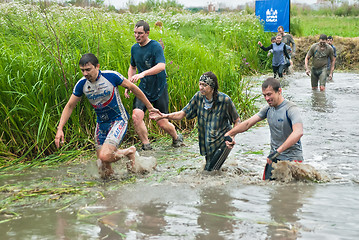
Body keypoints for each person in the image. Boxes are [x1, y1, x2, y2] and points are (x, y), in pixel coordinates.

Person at [55, 53, 158, 179]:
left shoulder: (111, 76)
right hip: (101, 124)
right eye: (82, 70)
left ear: (97, 66)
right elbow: (70, 105)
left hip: (118, 119)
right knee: (103, 168)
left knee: (105, 156)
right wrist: (60, 128)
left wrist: (150, 107)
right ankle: (112, 192)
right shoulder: (82, 84)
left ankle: (129, 151)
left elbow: (134, 88)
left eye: (88, 70)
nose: (85, 74)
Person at [150, 72, 240, 171]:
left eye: (205, 85)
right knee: (210, 168)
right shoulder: (198, 97)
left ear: (212, 87)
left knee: (210, 172)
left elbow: (237, 120)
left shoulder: (224, 100)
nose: (201, 87)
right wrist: (164, 116)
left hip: (223, 143)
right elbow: (182, 114)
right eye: (200, 84)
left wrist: (231, 136)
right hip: (207, 143)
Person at [225, 77, 304, 180]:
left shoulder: (291, 109)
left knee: (290, 194)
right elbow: (248, 123)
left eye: (269, 94)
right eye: (264, 95)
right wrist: (229, 134)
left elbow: (298, 132)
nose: (267, 98)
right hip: (274, 158)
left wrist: (278, 151)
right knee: (268, 190)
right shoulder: (268, 109)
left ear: (279, 91)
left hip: (292, 160)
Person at [125, 20, 182, 151]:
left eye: (140, 33)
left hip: (159, 88)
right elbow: (132, 67)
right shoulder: (134, 48)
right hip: (143, 89)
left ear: (147, 33)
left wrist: (143, 74)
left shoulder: (155, 46)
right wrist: (129, 83)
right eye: (135, 33)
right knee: (136, 116)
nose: (137, 36)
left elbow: (161, 66)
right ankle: (146, 145)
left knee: (161, 122)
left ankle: (176, 137)